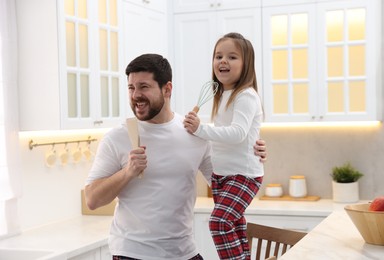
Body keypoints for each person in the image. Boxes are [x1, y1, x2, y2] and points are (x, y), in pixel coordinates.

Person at [84, 53, 267, 260]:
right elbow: (92, 199)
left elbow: (222, 182)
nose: (135, 95)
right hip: (132, 253)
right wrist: (128, 172)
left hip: (183, 252)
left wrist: (247, 154)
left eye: (144, 87)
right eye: (131, 88)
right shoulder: (117, 137)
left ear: (167, 89)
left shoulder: (194, 134)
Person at [183, 33, 264, 260]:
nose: (223, 61)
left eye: (232, 57)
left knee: (219, 223)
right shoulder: (222, 95)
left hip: (243, 175)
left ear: (246, 64)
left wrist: (200, 129)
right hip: (223, 175)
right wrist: (199, 130)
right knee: (236, 226)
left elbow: (237, 134)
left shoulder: (246, 96)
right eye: (218, 56)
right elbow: (224, 136)